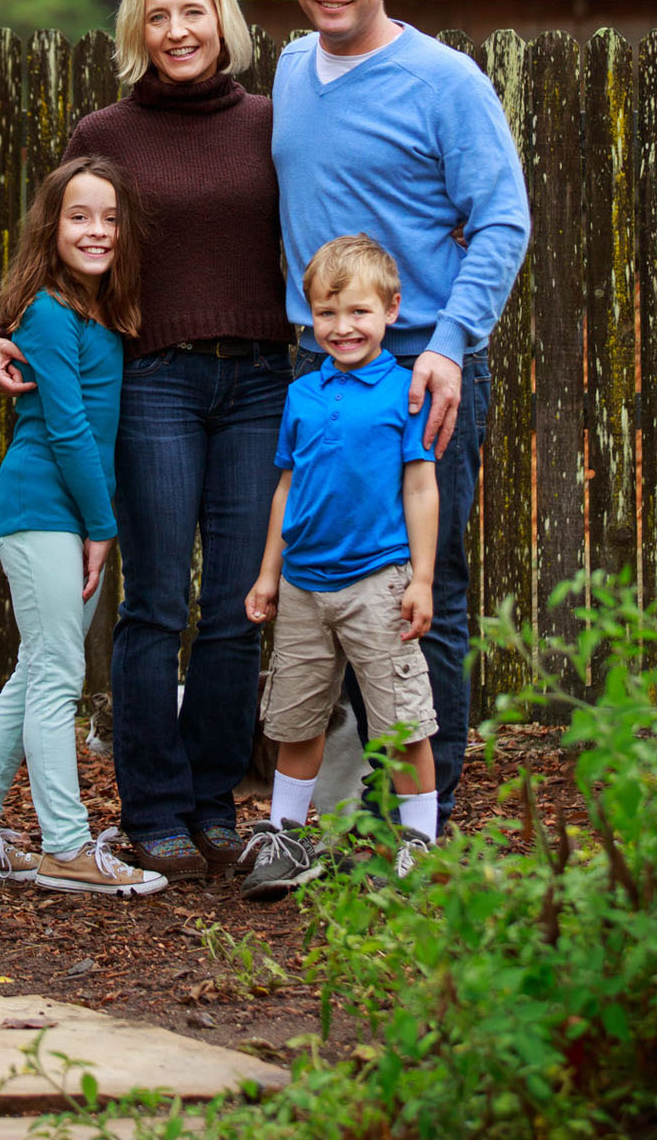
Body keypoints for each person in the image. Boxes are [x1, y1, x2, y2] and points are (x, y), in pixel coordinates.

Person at [0, 0, 292, 881]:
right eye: (157, 17)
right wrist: (2, 326)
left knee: (238, 607)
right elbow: (60, 238)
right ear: (136, 30)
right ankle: (152, 808)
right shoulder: (105, 130)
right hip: (153, 381)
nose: (177, 32)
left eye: (192, 13)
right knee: (155, 603)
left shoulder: (274, 127)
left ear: (222, 21)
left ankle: (212, 806)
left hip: (262, 383)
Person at [271, 0, 530, 834]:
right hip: (316, 368)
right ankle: (330, 810)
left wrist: (453, 346)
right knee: (320, 583)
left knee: (425, 590)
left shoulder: (445, 80)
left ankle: (419, 816)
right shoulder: (294, 70)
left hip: (420, 366)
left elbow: (503, 219)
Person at [0, 157, 167, 897]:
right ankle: (66, 847)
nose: (95, 230)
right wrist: (103, 526)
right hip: (42, 511)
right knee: (58, 676)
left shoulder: (99, 309)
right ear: (51, 225)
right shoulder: (45, 311)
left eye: (109, 217)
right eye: (78, 216)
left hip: (65, 516)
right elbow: (66, 429)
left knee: (35, 671)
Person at [239, 234, 439, 898]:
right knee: (295, 721)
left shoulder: (404, 391)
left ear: (390, 310)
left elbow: (419, 487)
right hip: (301, 585)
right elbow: (286, 489)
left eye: (356, 312)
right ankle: (288, 838)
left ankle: (418, 846)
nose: (341, 327)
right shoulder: (302, 394)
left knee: (401, 723)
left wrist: (421, 578)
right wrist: (269, 574)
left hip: (376, 582)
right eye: (326, 314)